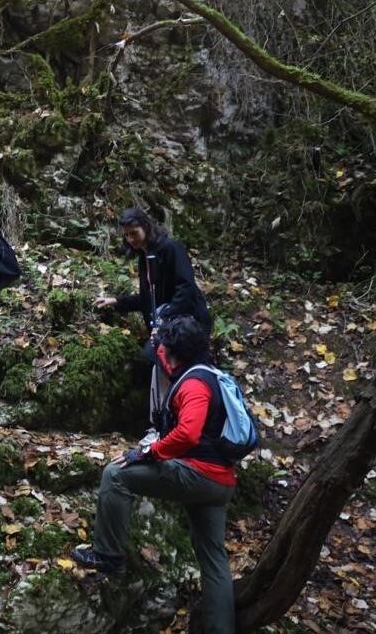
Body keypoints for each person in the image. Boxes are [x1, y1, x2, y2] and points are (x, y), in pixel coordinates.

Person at [70, 316, 237, 634]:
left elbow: (188, 434)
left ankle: (107, 554)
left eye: (165, 350)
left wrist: (147, 452)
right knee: (214, 560)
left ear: (176, 353)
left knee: (115, 473)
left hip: (197, 475)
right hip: (221, 483)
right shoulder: (214, 375)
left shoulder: (193, 384)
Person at [94, 207, 211, 437]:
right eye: (126, 235)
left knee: (161, 357)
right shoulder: (143, 256)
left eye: (134, 233)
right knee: (153, 356)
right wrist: (116, 302)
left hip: (188, 323)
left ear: (145, 227)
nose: (130, 239)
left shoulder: (170, 249)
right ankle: (162, 424)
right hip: (168, 324)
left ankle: (176, 423)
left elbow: (185, 287)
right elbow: (147, 299)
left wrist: (165, 318)